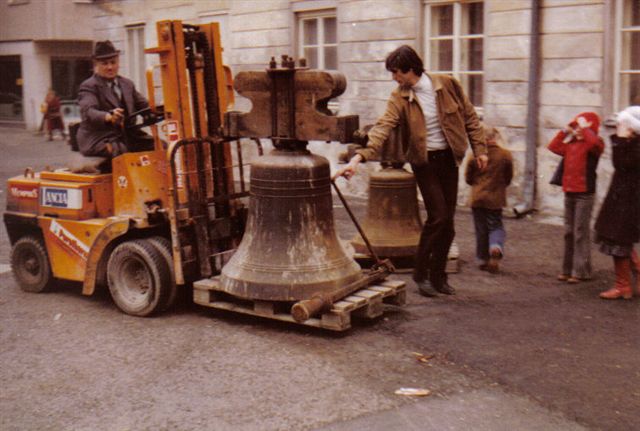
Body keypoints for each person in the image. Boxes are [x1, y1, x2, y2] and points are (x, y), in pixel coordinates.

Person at [336, 45, 487, 297]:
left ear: (410, 68)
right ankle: (421, 273)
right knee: (438, 216)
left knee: (448, 222)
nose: (394, 78)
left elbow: (470, 117)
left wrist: (480, 149)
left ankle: (439, 276)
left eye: (396, 72)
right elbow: (383, 127)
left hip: (449, 159)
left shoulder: (447, 84)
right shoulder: (399, 97)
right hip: (423, 162)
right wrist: (358, 158)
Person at [548, 112, 604, 284]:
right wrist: (566, 131)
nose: (578, 128)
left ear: (590, 127)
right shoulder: (571, 143)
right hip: (570, 191)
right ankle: (567, 269)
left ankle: (581, 271)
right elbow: (554, 146)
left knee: (580, 232)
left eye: (581, 125)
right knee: (569, 232)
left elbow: (594, 142)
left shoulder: (593, 144)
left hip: (585, 193)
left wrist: (586, 130)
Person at [594, 106, 640, 300]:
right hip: (623, 199)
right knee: (617, 239)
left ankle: (623, 286)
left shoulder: (635, 144)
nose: (618, 126)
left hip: (629, 201)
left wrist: (619, 140)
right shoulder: (632, 143)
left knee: (619, 240)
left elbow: (622, 164)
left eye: (622, 123)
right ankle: (631, 278)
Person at [77, 40, 152, 158]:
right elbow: (89, 111)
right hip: (99, 137)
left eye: (113, 62)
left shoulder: (127, 84)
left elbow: (143, 104)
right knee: (120, 150)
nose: (110, 67)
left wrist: (157, 109)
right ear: (96, 65)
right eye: (105, 63)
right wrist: (108, 116)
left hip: (127, 135)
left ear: (118, 62)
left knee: (159, 146)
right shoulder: (89, 86)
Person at [465, 124, 513, 274]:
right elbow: (508, 176)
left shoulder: (474, 155)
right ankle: (495, 247)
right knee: (496, 225)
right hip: (495, 198)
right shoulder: (505, 154)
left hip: (478, 197)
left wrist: (477, 184)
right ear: (495, 137)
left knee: (481, 229)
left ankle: (482, 259)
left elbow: (468, 177)